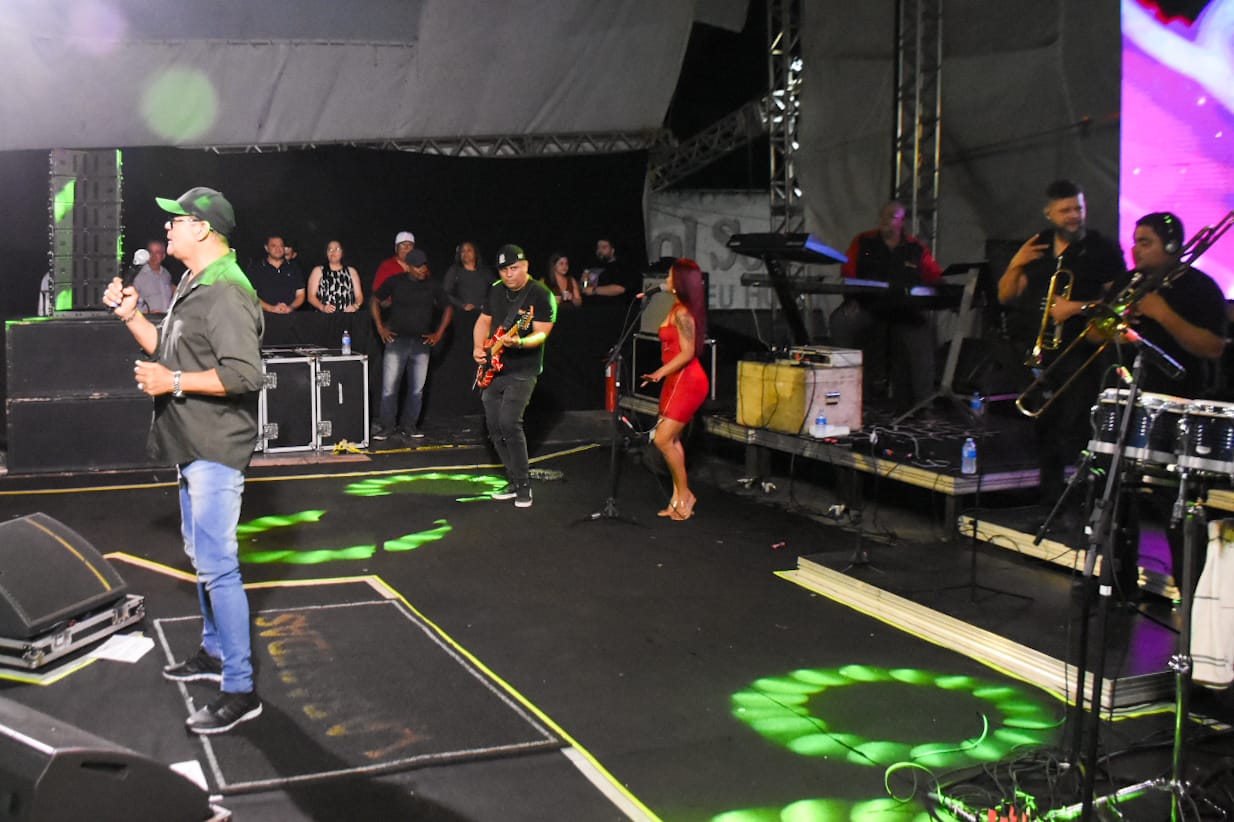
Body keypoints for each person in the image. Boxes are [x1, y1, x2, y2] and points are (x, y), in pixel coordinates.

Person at [102, 186, 264, 735]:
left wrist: (172, 381)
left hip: (215, 446)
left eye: (177, 220)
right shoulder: (196, 280)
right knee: (202, 557)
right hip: (191, 442)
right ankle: (214, 653)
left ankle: (240, 689)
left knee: (219, 565)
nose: (168, 227)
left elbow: (246, 374)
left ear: (202, 228)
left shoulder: (227, 290)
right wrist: (131, 316)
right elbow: (168, 350)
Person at [1113, 212, 1227, 595]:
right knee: (1114, 498)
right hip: (1129, 404)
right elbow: (1099, 333)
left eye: (1145, 242)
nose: (1136, 250)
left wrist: (1162, 313)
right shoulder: (1132, 283)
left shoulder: (1199, 288)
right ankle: (1117, 586)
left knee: (1174, 506)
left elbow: (1212, 347)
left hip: (1178, 412)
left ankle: (1191, 596)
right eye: (1135, 241)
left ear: (1172, 245)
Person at [998, 179, 1124, 504]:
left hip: (1079, 353)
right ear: (1049, 213)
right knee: (1045, 430)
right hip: (1038, 352)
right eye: (1065, 210)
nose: (1074, 216)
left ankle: (1081, 500)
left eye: (1078, 208)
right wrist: (1016, 262)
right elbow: (1005, 295)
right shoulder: (1038, 245)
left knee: (1075, 428)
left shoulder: (1103, 249)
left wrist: (1076, 307)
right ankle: (1049, 500)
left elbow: (1121, 303)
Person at [829, 200, 943, 413]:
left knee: (922, 337)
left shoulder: (916, 248)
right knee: (841, 322)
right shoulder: (863, 241)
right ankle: (847, 393)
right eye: (883, 215)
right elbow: (848, 272)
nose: (885, 220)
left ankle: (924, 403)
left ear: (902, 221)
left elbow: (935, 277)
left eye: (891, 216)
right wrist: (851, 300)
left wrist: (935, 294)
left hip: (904, 310)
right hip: (868, 306)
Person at [472, 244, 557, 508]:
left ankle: (523, 486)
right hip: (495, 368)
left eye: (514, 268)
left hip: (523, 370)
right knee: (494, 427)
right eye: (504, 270)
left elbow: (541, 333)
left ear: (525, 266)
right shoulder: (496, 290)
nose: (509, 274)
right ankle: (513, 478)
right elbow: (483, 321)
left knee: (510, 423)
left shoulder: (540, 294)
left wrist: (519, 342)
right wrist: (478, 347)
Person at [640, 258, 709, 521]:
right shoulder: (676, 307)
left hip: (688, 380)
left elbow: (688, 352)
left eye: (670, 276)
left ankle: (685, 494)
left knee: (662, 438)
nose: (666, 280)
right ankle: (678, 496)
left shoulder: (683, 313)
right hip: (675, 378)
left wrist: (659, 373)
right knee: (671, 439)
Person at [371, 248, 452, 440]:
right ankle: (387, 427)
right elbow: (374, 300)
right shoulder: (395, 281)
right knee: (390, 387)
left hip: (420, 343)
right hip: (396, 341)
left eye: (424, 265)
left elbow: (448, 307)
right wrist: (380, 327)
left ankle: (410, 426)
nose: (422, 269)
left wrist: (439, 333)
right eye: (417, 266)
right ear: (408, 267)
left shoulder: (432, 285)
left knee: (416, 389)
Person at [248, 234, 305, 314]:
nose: (278, 249)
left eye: (281, 246)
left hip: (290, 316)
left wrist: (290, 308)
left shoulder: (294, 268)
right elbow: (251, 295)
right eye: (274, 246)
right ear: (266, 248)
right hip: (264, 316)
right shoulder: (256, 268)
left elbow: (301, 294)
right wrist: (272, 309)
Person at [306, 240, 364, 313]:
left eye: (337, 249)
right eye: (330, 249)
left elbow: (359, 296)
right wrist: (322, 307)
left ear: (342, 252)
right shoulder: (318, 270)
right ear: (326, 253)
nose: (333, 252)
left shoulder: (351, 271)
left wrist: (355, 306)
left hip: (347, 316)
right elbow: (311, 296)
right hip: (324, 316)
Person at [443, 241, 493, 314]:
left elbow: (496, 286)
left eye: (469, 250)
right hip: (463, 314)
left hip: (483, 313)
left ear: (475, 253)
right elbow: (446, 293)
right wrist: (462, 305)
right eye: (462, 251)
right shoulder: (454, 271)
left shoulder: (485, 272)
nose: (465, 253)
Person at [132, 240, 175, 313]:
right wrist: (145, 312)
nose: (153, 256)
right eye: (150, 252)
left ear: (163, 256)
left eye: (157, 252)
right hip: (148, 318)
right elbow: (130, 302)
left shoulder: (166, 274)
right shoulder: (138, 276)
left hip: (166, 318)